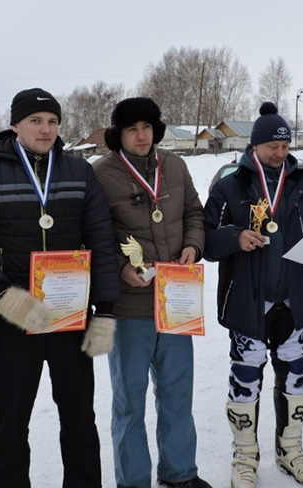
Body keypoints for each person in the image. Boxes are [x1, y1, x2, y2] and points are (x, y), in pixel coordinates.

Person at [0, 88, 120, 487]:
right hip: (14, 321)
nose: (46, 129)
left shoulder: (78, 172)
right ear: (15, 125)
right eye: (35, 121)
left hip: (70, 319)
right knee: (11, 421)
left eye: (52, 121)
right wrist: (2, 294)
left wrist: (106, 309)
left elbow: (102, 240)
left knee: (80, 418)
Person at [204, 102, 303, 488]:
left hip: (295, 298)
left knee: (296, 377)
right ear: (255, 145)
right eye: (272, 145)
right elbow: (205, 240)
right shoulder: (229, 185)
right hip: (248, 301)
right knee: (245, 377)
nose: (279, 153)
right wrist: (235, 236)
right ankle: (245, 456)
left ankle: (290, 449)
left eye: (285, 146)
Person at [92, 97, 208, 488]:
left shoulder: (174, 166)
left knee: (178, 395)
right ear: (118, 134)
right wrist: (121, 268)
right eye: (131, 129)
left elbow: (194, 212)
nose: (141, 136)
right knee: (129, 402)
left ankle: (179, 474)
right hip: (129, 309)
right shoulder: (101, 174)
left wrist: (194, 244)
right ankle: (134, 480)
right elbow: (95, 235)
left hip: (177, 301)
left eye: (147, 127)